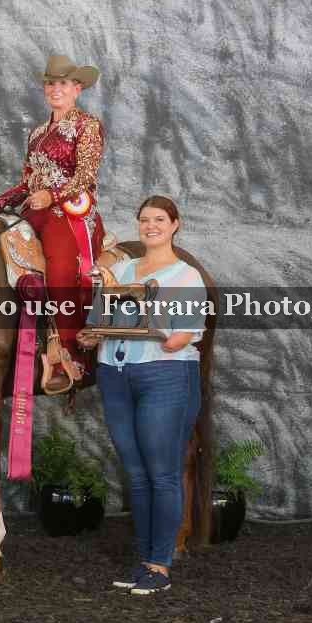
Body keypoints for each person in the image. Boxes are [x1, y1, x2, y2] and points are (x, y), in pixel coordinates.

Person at [78, 195, 205, 595]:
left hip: (165, 375)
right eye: (145, 219)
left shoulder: (186, 277)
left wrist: (149, 322)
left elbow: (180, 338)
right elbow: (98, 322)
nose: (151, 226)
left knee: (162, 474)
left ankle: (160, 566)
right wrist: (91, 334)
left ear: (175, 225)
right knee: (136, 475)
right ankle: (145, 560)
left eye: (159, 219)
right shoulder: (121, 270)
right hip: (115, 376)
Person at [0, 54, 106, 392]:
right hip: (34, 211)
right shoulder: (38, 133)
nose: (56, 89)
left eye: (63, 83)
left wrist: (52, 196)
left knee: (60, 271)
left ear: (77, 88)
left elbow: (85, 175)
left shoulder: (87, 125)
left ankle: (70, 356)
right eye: (50, 83)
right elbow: (25, 185)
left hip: (69, 213)